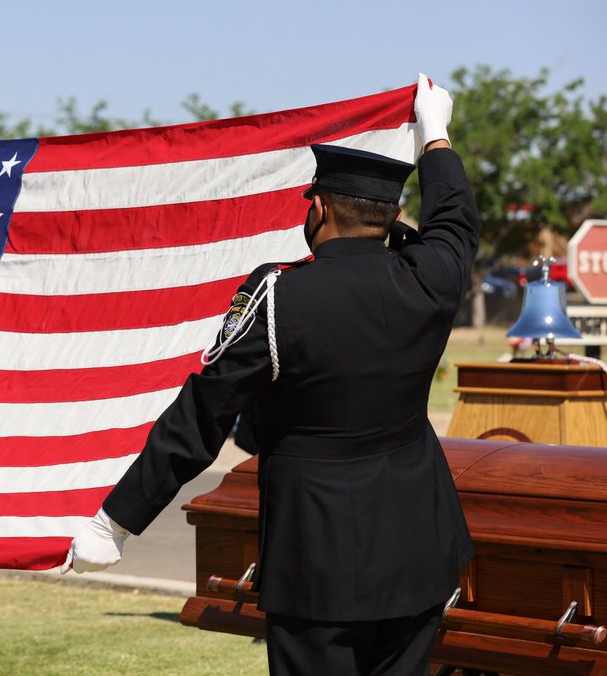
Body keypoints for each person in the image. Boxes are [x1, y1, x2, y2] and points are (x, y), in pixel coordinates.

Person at [64, 74, 479, 676]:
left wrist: (116, 523)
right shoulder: (432, 279)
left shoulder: (280, 297)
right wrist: (434, 135)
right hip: (420, 547)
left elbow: (200, 418)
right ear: (392, 218)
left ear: (320, 208)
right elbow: (455, 218)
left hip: (318, 557)